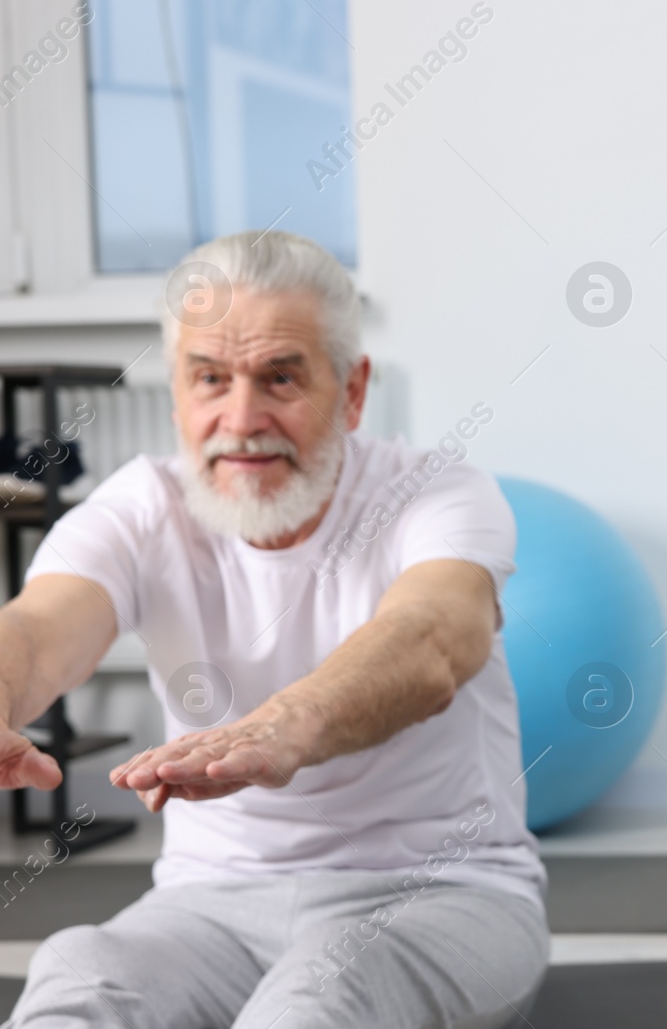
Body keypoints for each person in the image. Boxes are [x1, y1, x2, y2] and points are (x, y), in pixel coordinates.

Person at [0, 231, 548, 1028]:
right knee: (79, 969)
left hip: (442, 892)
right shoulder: (139, 506)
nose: (242, 418)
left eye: (280, 378)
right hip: (207, 907)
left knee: (320, 997)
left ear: (353, 391)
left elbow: (435, 637)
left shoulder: (438, 492)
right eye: (210, 378)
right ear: (179, 391)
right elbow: (42, 626)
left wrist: (286, 728)